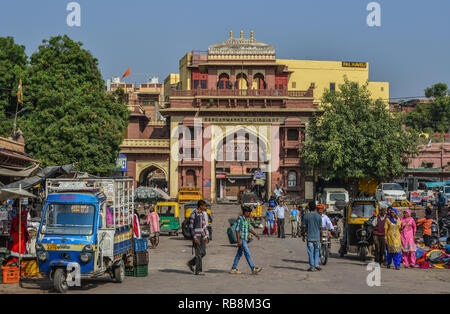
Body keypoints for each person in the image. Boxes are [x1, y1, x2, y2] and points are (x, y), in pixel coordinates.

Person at [230, 206, 262, 275]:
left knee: (239, 254)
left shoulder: (247, 220)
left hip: (245, 239)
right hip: (242, 240)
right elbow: (237, 230)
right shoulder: (240, 219)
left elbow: (249, 229)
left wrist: (256, 235)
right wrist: (238, 241)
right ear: (246, 213)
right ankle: (253, 268)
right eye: (249, 213)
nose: (250, 214)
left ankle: (233, 268)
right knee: (247, 253)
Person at [187, 200, 209, 275]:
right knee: (198, 254)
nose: (205, 207)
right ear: (200, 206)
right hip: (196, 237)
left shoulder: (202, 214)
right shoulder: (194, 214)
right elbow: (191, 226)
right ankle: (198, 271)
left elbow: (204, 226)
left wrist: (206, 236)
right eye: (204, 206)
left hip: (202, 236)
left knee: (203, 253)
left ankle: (190, 263)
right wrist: (194, 237)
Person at [301, 201, 323, 272]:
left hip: (310, 237)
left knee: (310, 252)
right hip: (317, 237)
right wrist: (321, 237)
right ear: (315, 208)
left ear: (309, 208)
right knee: (317, 251)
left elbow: (304, 228)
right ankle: (316, 264)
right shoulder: (319, 216)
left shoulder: (306, 216)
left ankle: (312, 267)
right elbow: (320, 229)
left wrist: (303, 236)